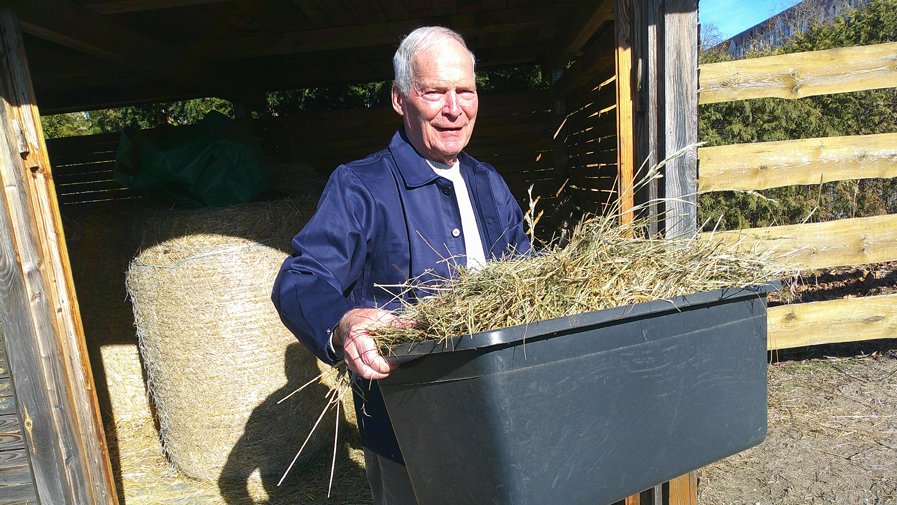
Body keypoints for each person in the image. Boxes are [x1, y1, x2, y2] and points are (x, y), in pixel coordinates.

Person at [272, 25, 531, 504]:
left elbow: (526, 270)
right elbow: (301, 277)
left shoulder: (488, 181)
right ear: (399, 98)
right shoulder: (360, 186)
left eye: (465, 91)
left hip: (501, 412)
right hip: (406, 427)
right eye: (434, 92)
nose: (454, 108)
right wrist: (344, 322)